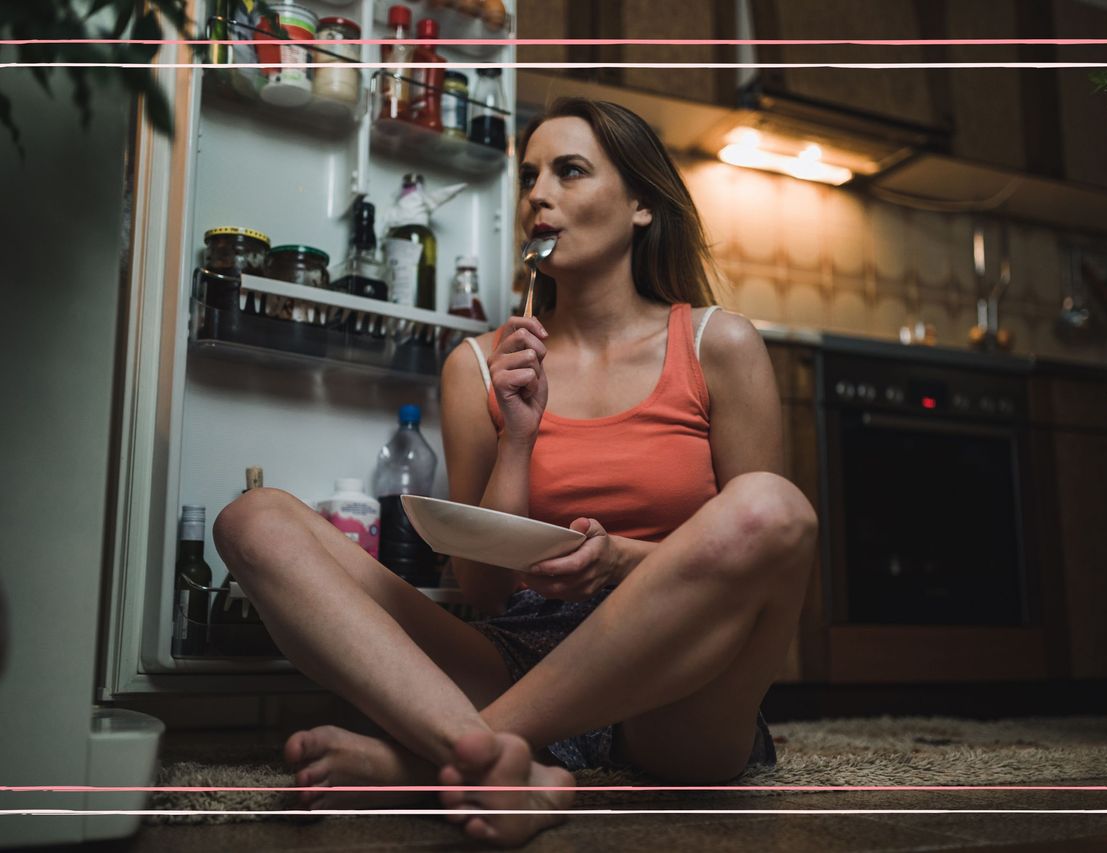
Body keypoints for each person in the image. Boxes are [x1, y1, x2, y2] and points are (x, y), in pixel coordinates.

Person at [213, 97, 818, 847]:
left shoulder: (718, 343)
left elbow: (767, 559)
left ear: (639, 204)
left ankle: (425, 761)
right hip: (515, 655)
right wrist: (517, 437)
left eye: (569, 171)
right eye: (530, 175)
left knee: (774, 505)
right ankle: (506, 760)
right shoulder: (477, 365)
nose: (538, 194)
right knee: (254, 518)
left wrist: (618, 560)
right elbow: (484, 590)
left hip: (677, 691)